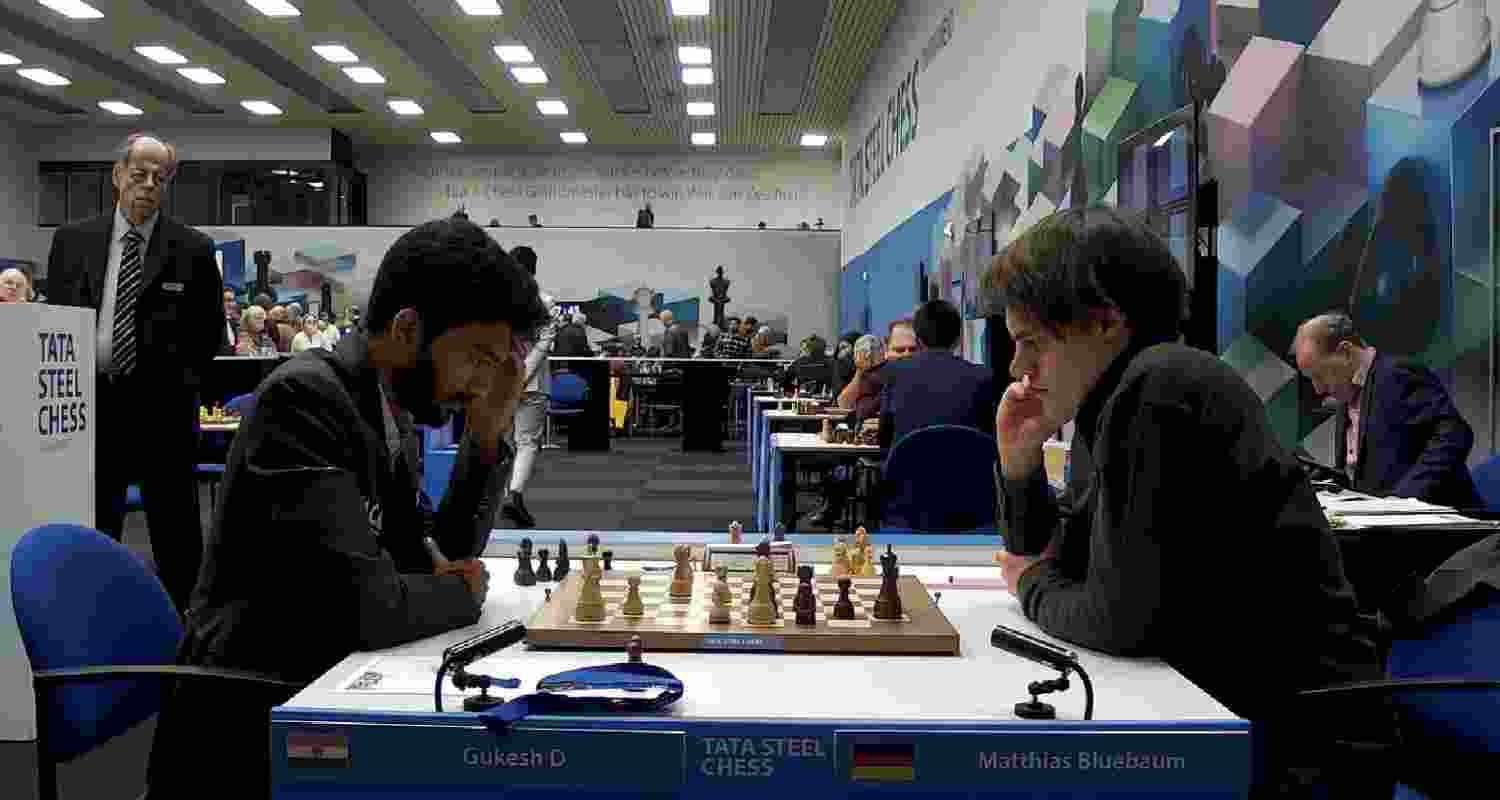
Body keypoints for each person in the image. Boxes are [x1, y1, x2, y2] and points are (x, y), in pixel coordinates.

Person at [145, 217, 546, 799]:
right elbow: (369, 606)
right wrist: (459, 590)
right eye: (480, 356)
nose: (487, 380)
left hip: (326, 685)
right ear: (408, 328)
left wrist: (487, 430)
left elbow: (439, 550)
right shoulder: (303, 400)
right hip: (250, 719)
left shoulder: (387, 406)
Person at [990, 207, 1385, 796]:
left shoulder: (1159, 388)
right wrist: (1020, 464)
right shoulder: (1119, 396)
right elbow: (1060, 557)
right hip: (1235, 715)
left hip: (1299, 753)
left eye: (1030, 342)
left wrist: (1030, 585)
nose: (1018, 368)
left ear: (1104, 320)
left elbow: (1118, 619)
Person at [44, 132, 221, 615]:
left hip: (163, 414)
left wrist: (179, 386)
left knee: (176, 535)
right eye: (138, 174)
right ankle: (93, 620)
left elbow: (209, 337)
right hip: (92, 410)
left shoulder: (194, 249)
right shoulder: (71, 241)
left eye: (158, 178)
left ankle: (190, 633)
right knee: (97, 525)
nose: (147, 184)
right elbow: (55, 322)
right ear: (117, 175)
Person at [1291, 311, 1481, 510]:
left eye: (1319, 375)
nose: (1318, 389)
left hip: (1438, 524)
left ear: (1345, 352)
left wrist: (1404, 500)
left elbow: (1454, 435)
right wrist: (1329, 480)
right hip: (1381, 524)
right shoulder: (1347, 393)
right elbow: (1372, 476)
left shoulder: (1398, 375)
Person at [877, 300, 997, 450]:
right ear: (958, 340)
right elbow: (988, 439)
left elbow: (883, 438)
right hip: (964, 471)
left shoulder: (894, 372)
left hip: (907, 471)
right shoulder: (982, 377)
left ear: (919, 340)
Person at [499, 245, 561, 529]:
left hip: (500, 380)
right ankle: (514, 495)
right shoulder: (545, 301)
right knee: (527, 442)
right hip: (531, 383)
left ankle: (500, 496)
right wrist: (523, 373)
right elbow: (545, 342)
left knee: (503, 440)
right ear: (534, 269)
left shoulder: (498, 300)